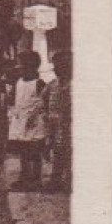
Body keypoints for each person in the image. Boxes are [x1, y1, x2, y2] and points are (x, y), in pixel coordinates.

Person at [6, 50, 49, 190]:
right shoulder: (18, 82)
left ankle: (35, 180)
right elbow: (14, 98)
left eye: (21, 65)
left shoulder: (39, 84)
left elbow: (43, 103)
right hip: (20, 121)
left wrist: (36, 116)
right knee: (23, 151)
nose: (19, 68)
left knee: (34, 152)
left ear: (31, 66)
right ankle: (24, 178)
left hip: (33, 123)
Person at [45, 50, 73, 192]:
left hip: (70, 125)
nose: (57, 69)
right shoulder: (52, 85)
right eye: (55, 66)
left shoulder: (74, 86)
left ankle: (69, 181)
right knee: (57, 152)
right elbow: (43, 101)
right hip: (55, 125)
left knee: (70, 153)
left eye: (62, 66)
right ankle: (55, 181)